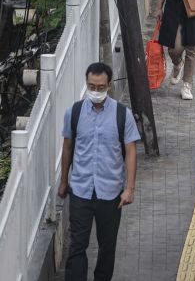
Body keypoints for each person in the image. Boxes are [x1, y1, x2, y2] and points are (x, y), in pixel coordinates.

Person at [57, 62, 141, 281]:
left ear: (109, 85)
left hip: (110, 193)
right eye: (91, 86)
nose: (95, 91)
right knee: (77, 246)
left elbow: (131, 151)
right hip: (81, 191)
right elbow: (67, 148)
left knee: (107, 247)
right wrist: (63, 181)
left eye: (100, 87)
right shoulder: (73, 113)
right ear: (86, 83)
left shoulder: (123, 115)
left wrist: (129, 189)